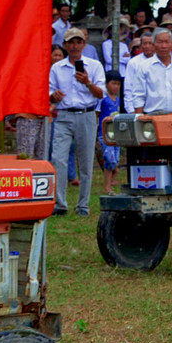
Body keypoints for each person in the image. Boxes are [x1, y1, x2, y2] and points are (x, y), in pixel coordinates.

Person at [48, 27, 105, 217]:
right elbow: (50, 93)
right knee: (58, 159)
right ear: (65, 45)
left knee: (86, 161)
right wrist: (53, 96)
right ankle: (60, 203)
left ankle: (83, 205)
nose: (74, 46)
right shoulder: (57, 67)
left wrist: (87, 82)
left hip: (87, 114)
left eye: (78, 42)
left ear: (84, 44)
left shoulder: (94, 65)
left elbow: (101, 94)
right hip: (64, 115)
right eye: (71, 42)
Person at [124, 28, 172, 114]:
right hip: (152, 117)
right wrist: (139, 117)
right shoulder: (144, 67)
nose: (164, 46)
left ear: (171, 44)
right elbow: (139, 95)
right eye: (160, 42)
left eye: (167, 42)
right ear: (154, 44)